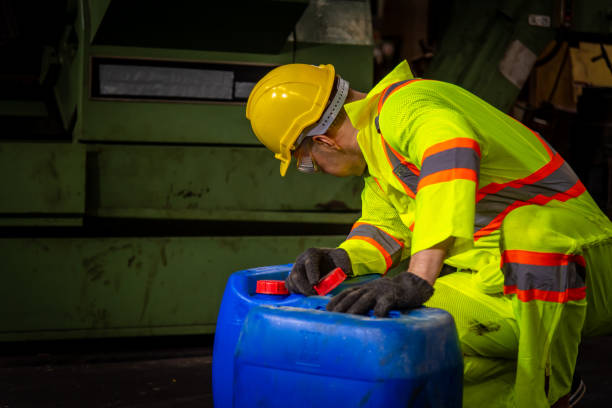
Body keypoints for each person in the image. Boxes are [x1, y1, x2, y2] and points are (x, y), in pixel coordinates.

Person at [245, 61, 612, 407]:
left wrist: (419, 276)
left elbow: (451, 150)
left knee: (529, 230)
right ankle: (535, 383)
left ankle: (545, 394)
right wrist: (339, 258)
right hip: (502, 286)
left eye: (307, 163)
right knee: (405, 335)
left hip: (585, 270)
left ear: (324, 141)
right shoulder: (380, 168)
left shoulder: (406, 106)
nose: (318, 170)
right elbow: (382, 233)